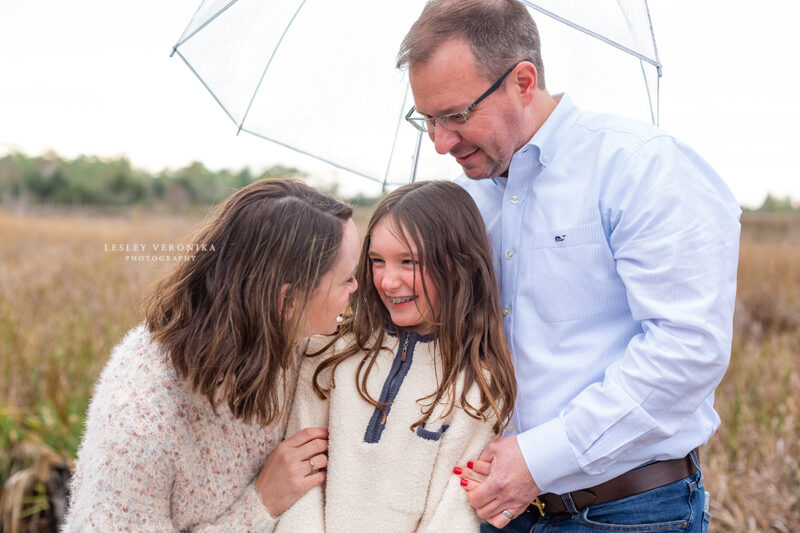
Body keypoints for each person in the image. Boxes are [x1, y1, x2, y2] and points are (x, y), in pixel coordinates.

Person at [397, 1, 741, 531]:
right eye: (427, 120)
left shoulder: (642, 167)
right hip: (493, 510)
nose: (441, 142)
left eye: (456, 115)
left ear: (523, 81)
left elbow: (687, 349)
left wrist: (539, 459)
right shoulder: (466, 200)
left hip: (630, 512)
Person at [62, 178, 360, 532]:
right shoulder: (142, 419)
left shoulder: (293, 336)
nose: (358, 290)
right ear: (287, 300)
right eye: (347, 280)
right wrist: (260, 503)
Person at [273, 180, 517, 532]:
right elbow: (300, 484)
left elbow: (453, 514)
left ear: (459, 265)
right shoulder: (328, 352)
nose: (387, 281)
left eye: (408, 261)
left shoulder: (479, 385)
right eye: (376, 261)